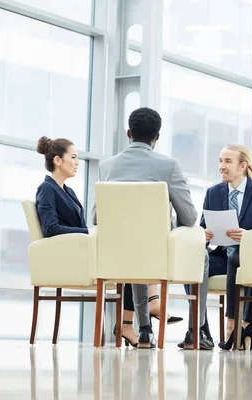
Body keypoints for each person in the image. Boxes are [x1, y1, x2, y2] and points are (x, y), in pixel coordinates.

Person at [92, 107, 211, 349]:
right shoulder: (168, 166)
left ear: (129, 133)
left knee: (136, 254)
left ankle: (145, 330)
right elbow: (189, 217)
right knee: (202, 256)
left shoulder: (107, 167)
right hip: (157, 253)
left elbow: (95, 217)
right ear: (157, 136)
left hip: (116, 256)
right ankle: (195, 330)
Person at [196, 144, 252, 351]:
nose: (221, 166)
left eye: (227, 161)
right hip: (222, 255)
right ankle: (200, 328)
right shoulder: (213, 193)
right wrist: (203, 235)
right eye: (220, 161)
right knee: (195, 258)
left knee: (240, 258)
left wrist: (249, 237)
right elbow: (202, 228)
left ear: (242, 167)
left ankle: (236, 325)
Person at [35, 136, 88, 237]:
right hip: (65, 248)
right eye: (73, 157)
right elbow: (50, 228)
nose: (77, 163)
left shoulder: (69, 191)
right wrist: (87, 232)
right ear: (58, 160)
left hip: (80, 245)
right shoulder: (46, 188)